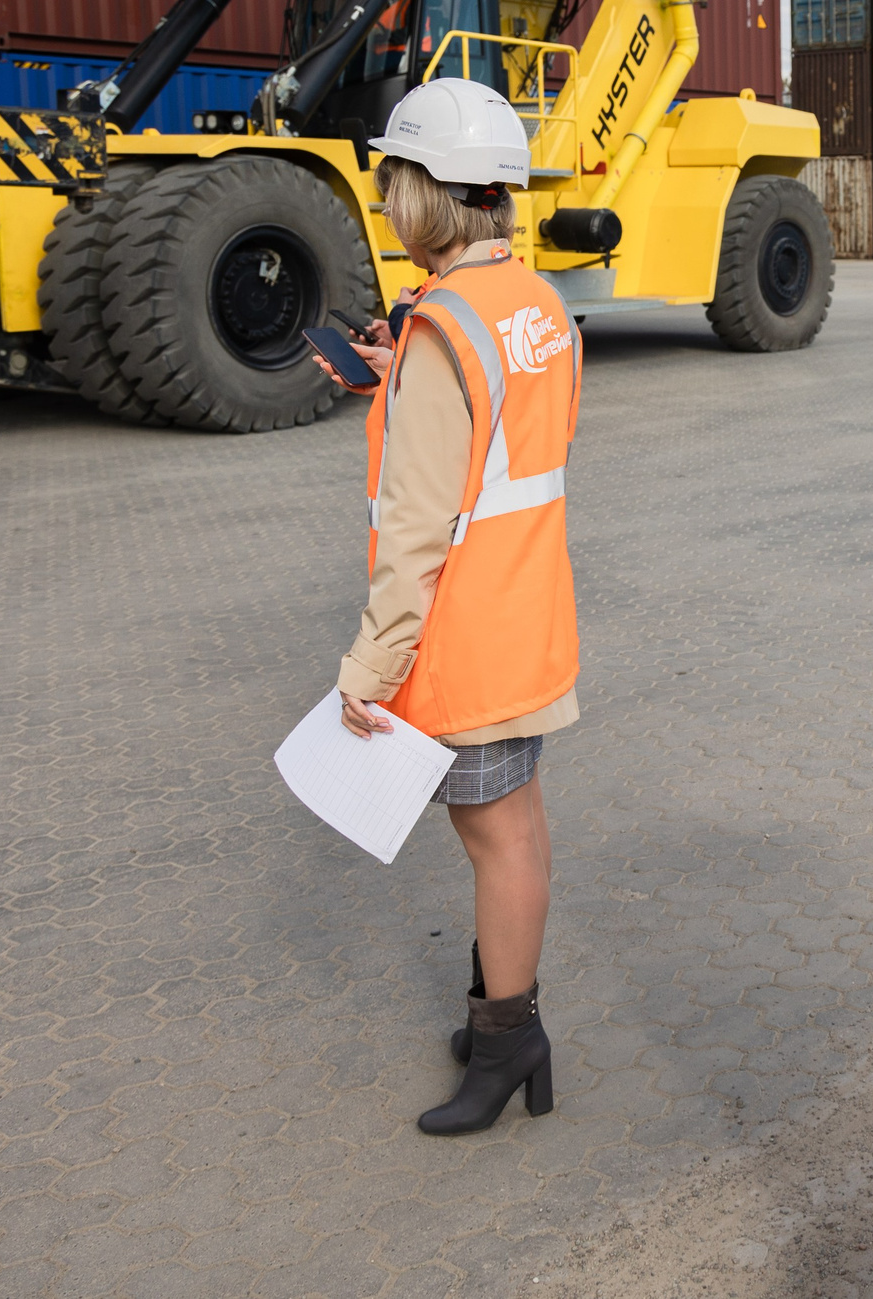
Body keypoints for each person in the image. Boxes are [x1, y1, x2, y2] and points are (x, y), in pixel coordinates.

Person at [314, 78, 583, 1136]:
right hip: (529, 616)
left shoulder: (443, 328)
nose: (385, 199)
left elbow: (418, 529)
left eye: (393, 179)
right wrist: (406, 378)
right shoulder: (532, 301)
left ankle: (510, 1041)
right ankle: (505, 1026)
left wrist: (367, 671)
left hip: (466, 638)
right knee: (515, 828)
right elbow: (517, 434)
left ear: (428, 194)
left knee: (497, 839)